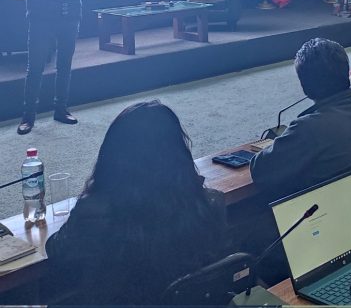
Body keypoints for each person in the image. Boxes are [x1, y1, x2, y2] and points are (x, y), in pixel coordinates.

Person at [44, 100, 227, 305]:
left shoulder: (94, 213)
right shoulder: (210, 203)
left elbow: (57, 253)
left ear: (111, 155)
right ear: (179, 151)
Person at [250, 37, 351, 201]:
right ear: (346, 74)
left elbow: (260, 171)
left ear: (305, 86)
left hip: (339, 220)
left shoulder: (308, 128)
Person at [19, 0, 90, 135]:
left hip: (69, 17)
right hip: (41, 18)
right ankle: (28, 116)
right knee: (36, 68)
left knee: (65, 65)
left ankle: (61, 110)